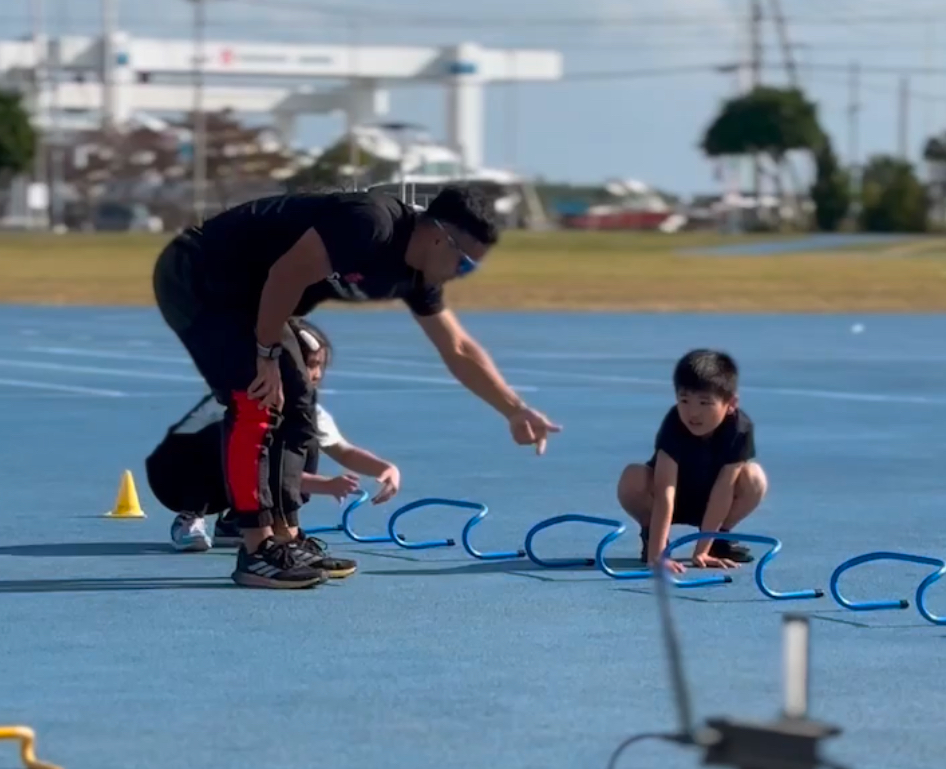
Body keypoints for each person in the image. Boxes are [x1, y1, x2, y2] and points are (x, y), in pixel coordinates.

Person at [151, 185, 561, 589]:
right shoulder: (371, 223)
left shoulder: (419, 276)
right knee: (257, 397)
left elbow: (457, 347)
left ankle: (286, 540)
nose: (463, 273)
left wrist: (514, 408)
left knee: (299, 407)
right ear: (439, 236)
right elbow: (286, 272)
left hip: (255, 294)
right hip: (200, 274)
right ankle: (256, 549)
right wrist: (265, 353)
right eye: (466, 263)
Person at [145, 319, 399, 582]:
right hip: (177, 476)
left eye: (321, 366)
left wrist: (384, 469)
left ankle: (245, 523)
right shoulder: (245, 403)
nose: (317, 374)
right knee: (233, 439)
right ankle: (190, 517)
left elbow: (342, 451)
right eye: (310, 365)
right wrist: (325, 484)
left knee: (303, 438)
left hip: (231, 482)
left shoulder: (304, 412)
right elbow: (250, 463)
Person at [615, 349, 767, 574]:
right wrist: (657, 555)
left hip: (713, 501)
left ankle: (717, 540)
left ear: (731, 403)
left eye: (705, 403)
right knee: (632, 477)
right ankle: (653, 538)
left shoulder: (740, 429)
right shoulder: (674, 423)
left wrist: (701, 550)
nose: (693, 413)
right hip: (668, 501)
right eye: (684, 400)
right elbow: (666, 489)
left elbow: (723, 489)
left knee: (754, 478)